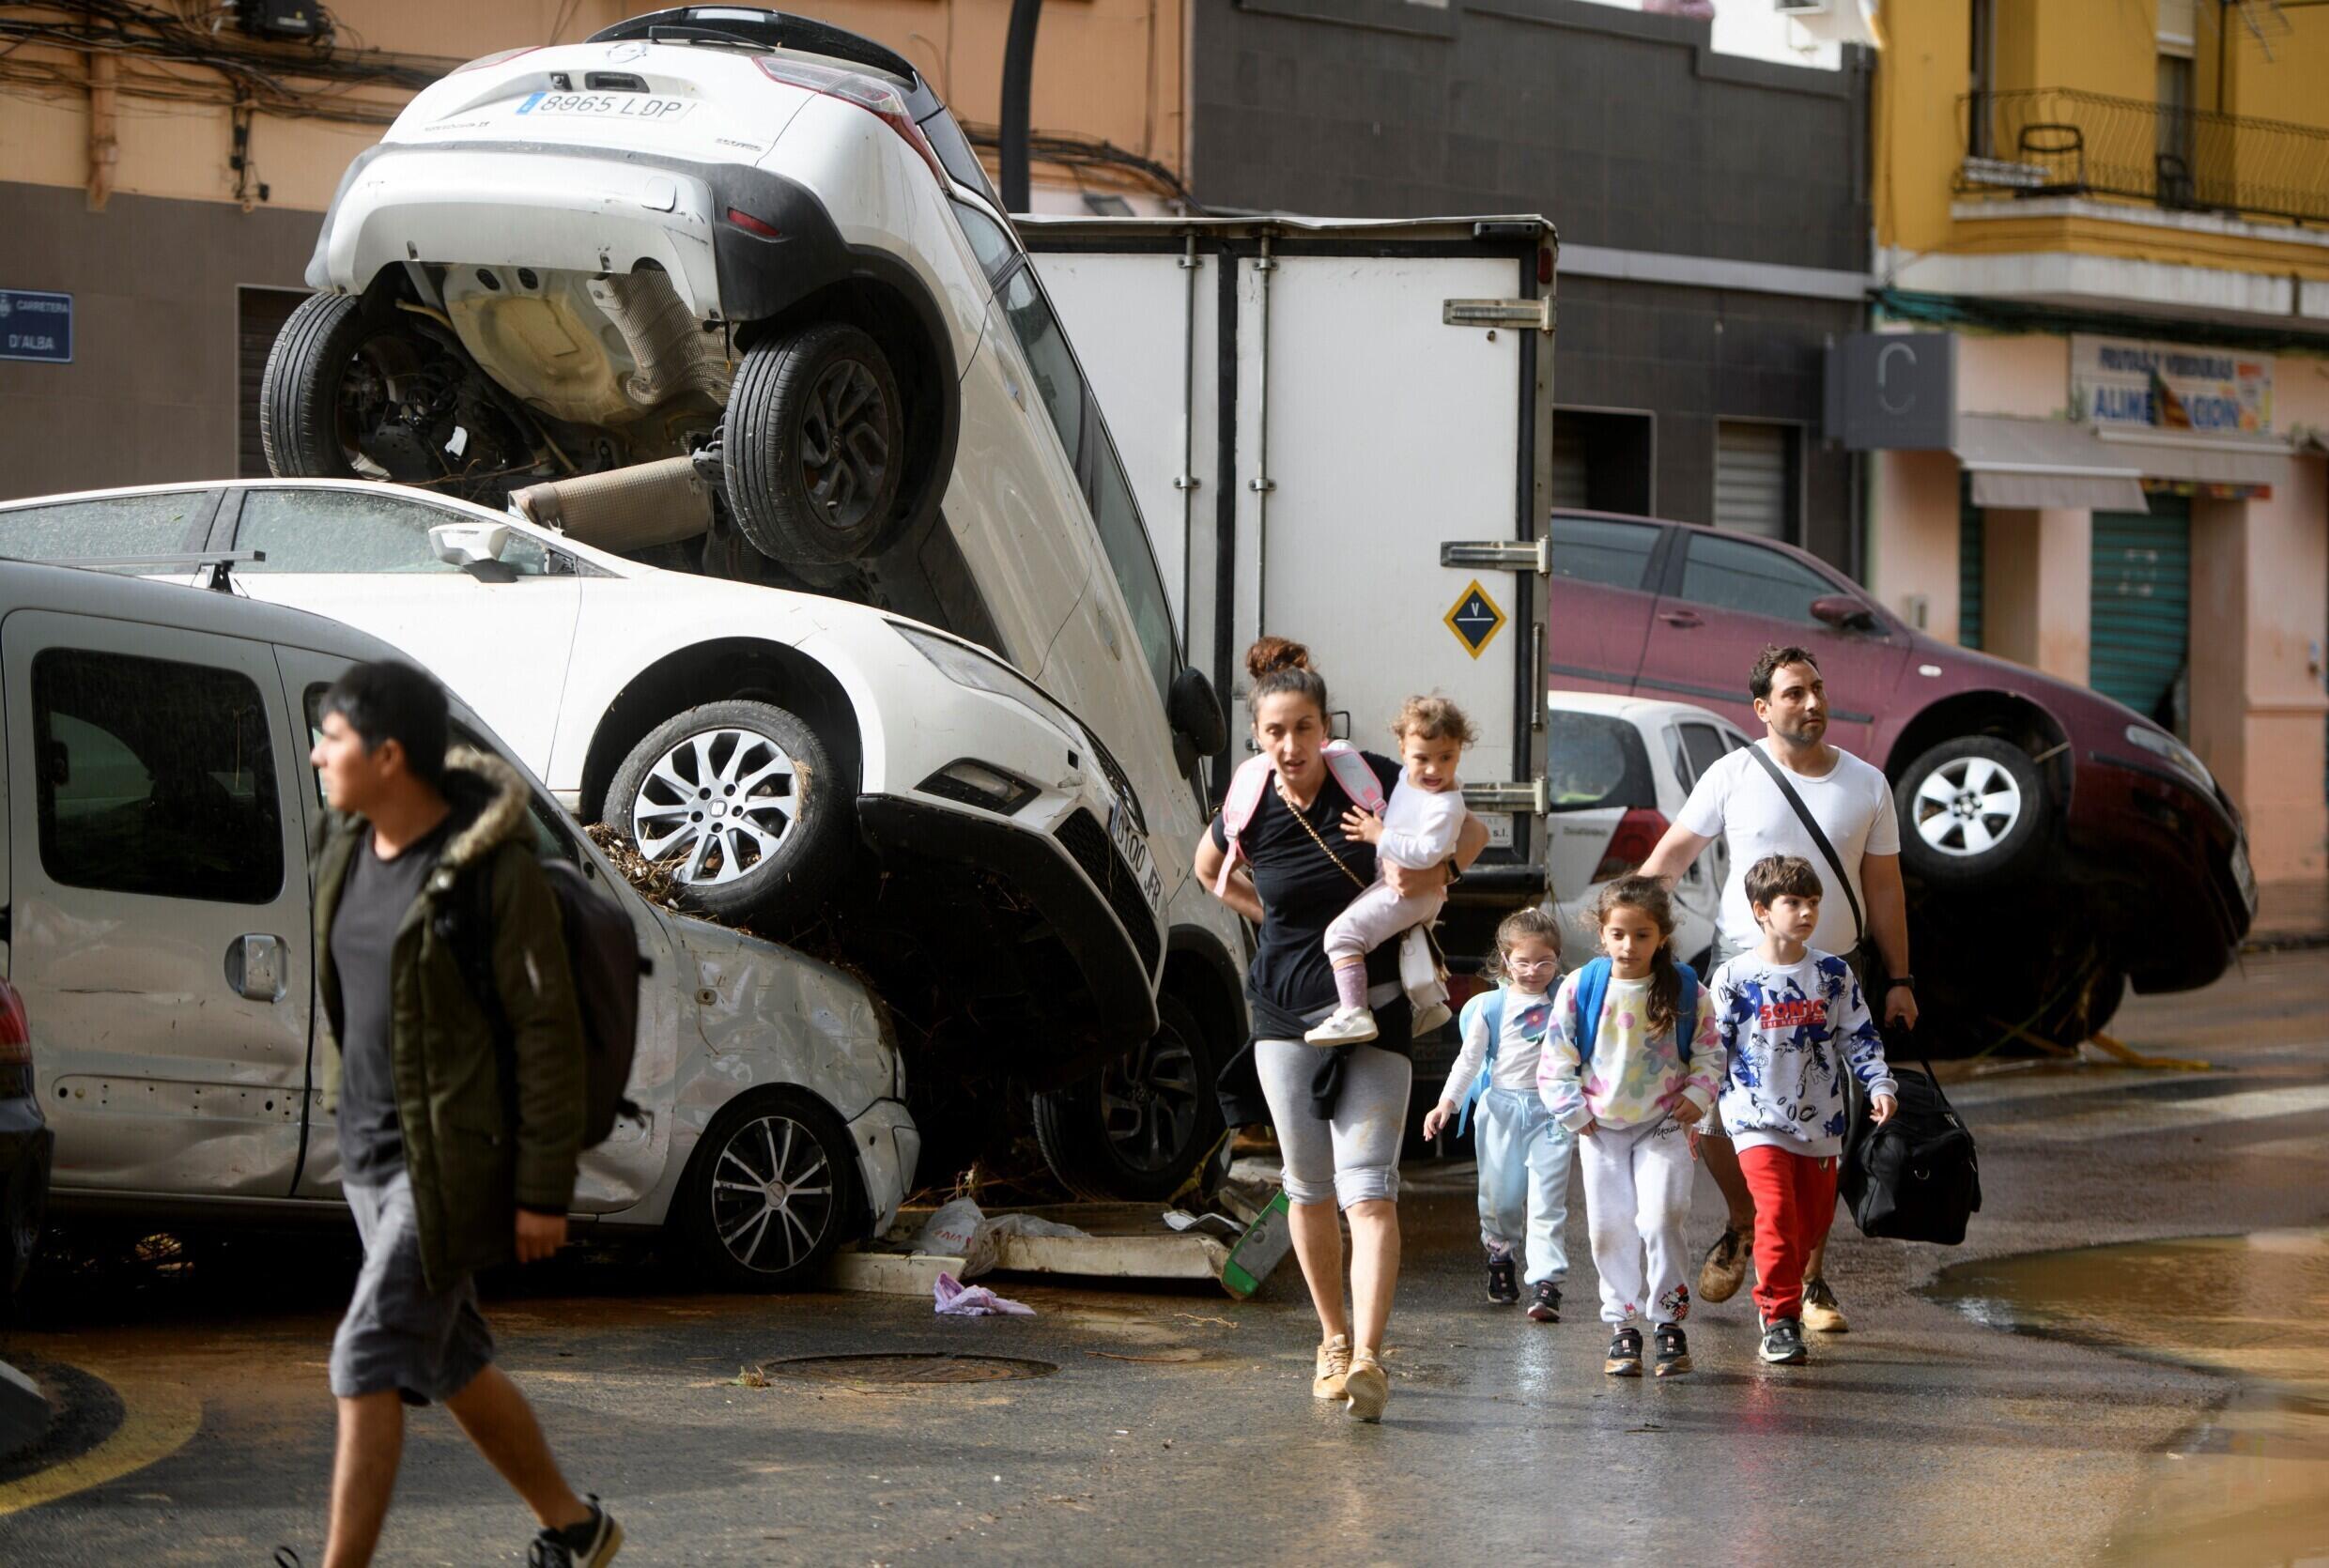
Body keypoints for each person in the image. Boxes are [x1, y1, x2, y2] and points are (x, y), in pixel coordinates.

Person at [306, 661, 621, 1568]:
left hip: (449, 1170)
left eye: (333, 738)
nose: (319, 754)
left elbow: (548, 1035)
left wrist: (540, 1189)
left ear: (390, 754)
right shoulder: (346, 849)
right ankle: (578, 1529)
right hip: (367, 1157)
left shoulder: (493, 877)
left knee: (364, 1358)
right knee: (454, 1365)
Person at [1196, 638, 1489, 1422]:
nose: (1289, 747)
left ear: (1326, 728)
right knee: (1309, 1187)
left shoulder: (1375, 780)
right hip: (1285, 1015)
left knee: (1370, 1190)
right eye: (1274, 733)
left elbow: (1473, 833)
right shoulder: (1250, 797)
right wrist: (1274, 921)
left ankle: (1368, 1356)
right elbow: (1206, 869)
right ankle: (1330, 1340)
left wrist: (1437, 879)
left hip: (1379, 1008)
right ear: (1258, 737)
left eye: (1303, 730)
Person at [1636, 643, 1917, 1335]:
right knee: (1714, 1112)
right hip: (1741, 971)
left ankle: (1810, 1276)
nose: (1813, 703)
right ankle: (1744, 1218)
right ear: (1762, 708)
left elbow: (1885, 888)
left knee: (1827, 1122)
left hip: (1835, 973)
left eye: (1817, 689)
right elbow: (1672, 857)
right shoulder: (1733, 774)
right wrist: (1629, 933)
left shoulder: (1867, 784)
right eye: (1794, 693)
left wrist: (1901, 978)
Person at [1711, 854, 1898, 1366]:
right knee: (1775, 1214)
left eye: (1813, 902)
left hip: (1820, 1123)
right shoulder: (1734, 976)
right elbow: (1712, 1049)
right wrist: (1695, 1101)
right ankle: (1779, 1317)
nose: (1806, 912)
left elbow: (1858, 1036)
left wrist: (1878, 1081)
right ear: (1761, 911)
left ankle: (1782, 1292)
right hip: (1754, 1120)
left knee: (1810, 1224)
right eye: (1793, 902)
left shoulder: (1832, 974)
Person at [1537, 878, 1722, 1379]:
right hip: (1601, 1130)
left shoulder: (1686, 987)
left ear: (1661, 936)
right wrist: (1575, 1113)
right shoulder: (1582, 986)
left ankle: (1668, 1322)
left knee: (1663, 1218)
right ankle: (1623, 1325)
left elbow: (1709, 1050)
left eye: (1642, 935)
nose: (1629, 946)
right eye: (1618, 934)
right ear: (1602, 933)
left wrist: (1697, 1095)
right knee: (1608, 1229)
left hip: (1664, 1124)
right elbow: (1555, 1059)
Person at [1421, 905, 1571, 1321]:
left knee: (1547, 1199)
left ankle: (1546, 1283)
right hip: (1501, 1108)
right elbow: (1469, 1061)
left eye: (1545, 961)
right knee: (1499, 1198)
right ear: (1504, 959)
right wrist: (1446, 1103)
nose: (1533, 970)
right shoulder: (1491, 1006)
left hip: (1553, 1112)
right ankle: (1500, 1256)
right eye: (1523, 961)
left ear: (1558, 958)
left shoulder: (1566, 1000)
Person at [1306, 696, 1474, 1045]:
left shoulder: (1445, 805)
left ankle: (1354, 1012)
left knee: (1342, 935)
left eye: (1447, 758)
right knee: (1399, 942)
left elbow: (1426, 853)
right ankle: (1428, 1005)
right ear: (1402, 749)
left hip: (1414, 888)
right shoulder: (1404, 779)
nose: (1434, 770)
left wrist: (1379, 835)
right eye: (1422, 758)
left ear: (1461, 750)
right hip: (1402, 885)